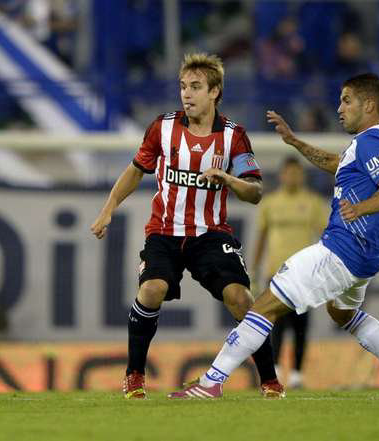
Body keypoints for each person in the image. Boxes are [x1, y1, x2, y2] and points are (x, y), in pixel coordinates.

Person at [169, 73, 379, 398]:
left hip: (342, 249)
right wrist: (294, 141)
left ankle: (210, 383)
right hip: (367, 255)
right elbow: (337, 163)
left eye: (347, 100)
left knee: (262, 306)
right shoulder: (378, 140)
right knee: (341, 312)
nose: (339, 108)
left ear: (370, 104)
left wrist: (359, 209)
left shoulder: (372, 142)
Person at [91, 53, 285, 399]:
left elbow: (255, 193)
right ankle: (134, 376)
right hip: (164, 232)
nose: (187, 94)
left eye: (195, 87)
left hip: (210, 234)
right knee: (151, 290)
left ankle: (270, 380)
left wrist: (226, 177)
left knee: (240, 298)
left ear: (215, 92)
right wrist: (108, 208)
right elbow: (136, 169)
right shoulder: (162, 128)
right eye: (183, 86)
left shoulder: (233, 136)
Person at [252, 156, 328, 388]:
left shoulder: (313, 203)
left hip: (305, 274)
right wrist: (254, 270)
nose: (293, 177)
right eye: (289, 172)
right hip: (276, 271)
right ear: (282, 175)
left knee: (301, 325)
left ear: (302, 176)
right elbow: (261, 238)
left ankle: (296, 374)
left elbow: (325, 237)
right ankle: (273, 370)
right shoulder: (270, 203)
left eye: (297, 173)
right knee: (274, 323)